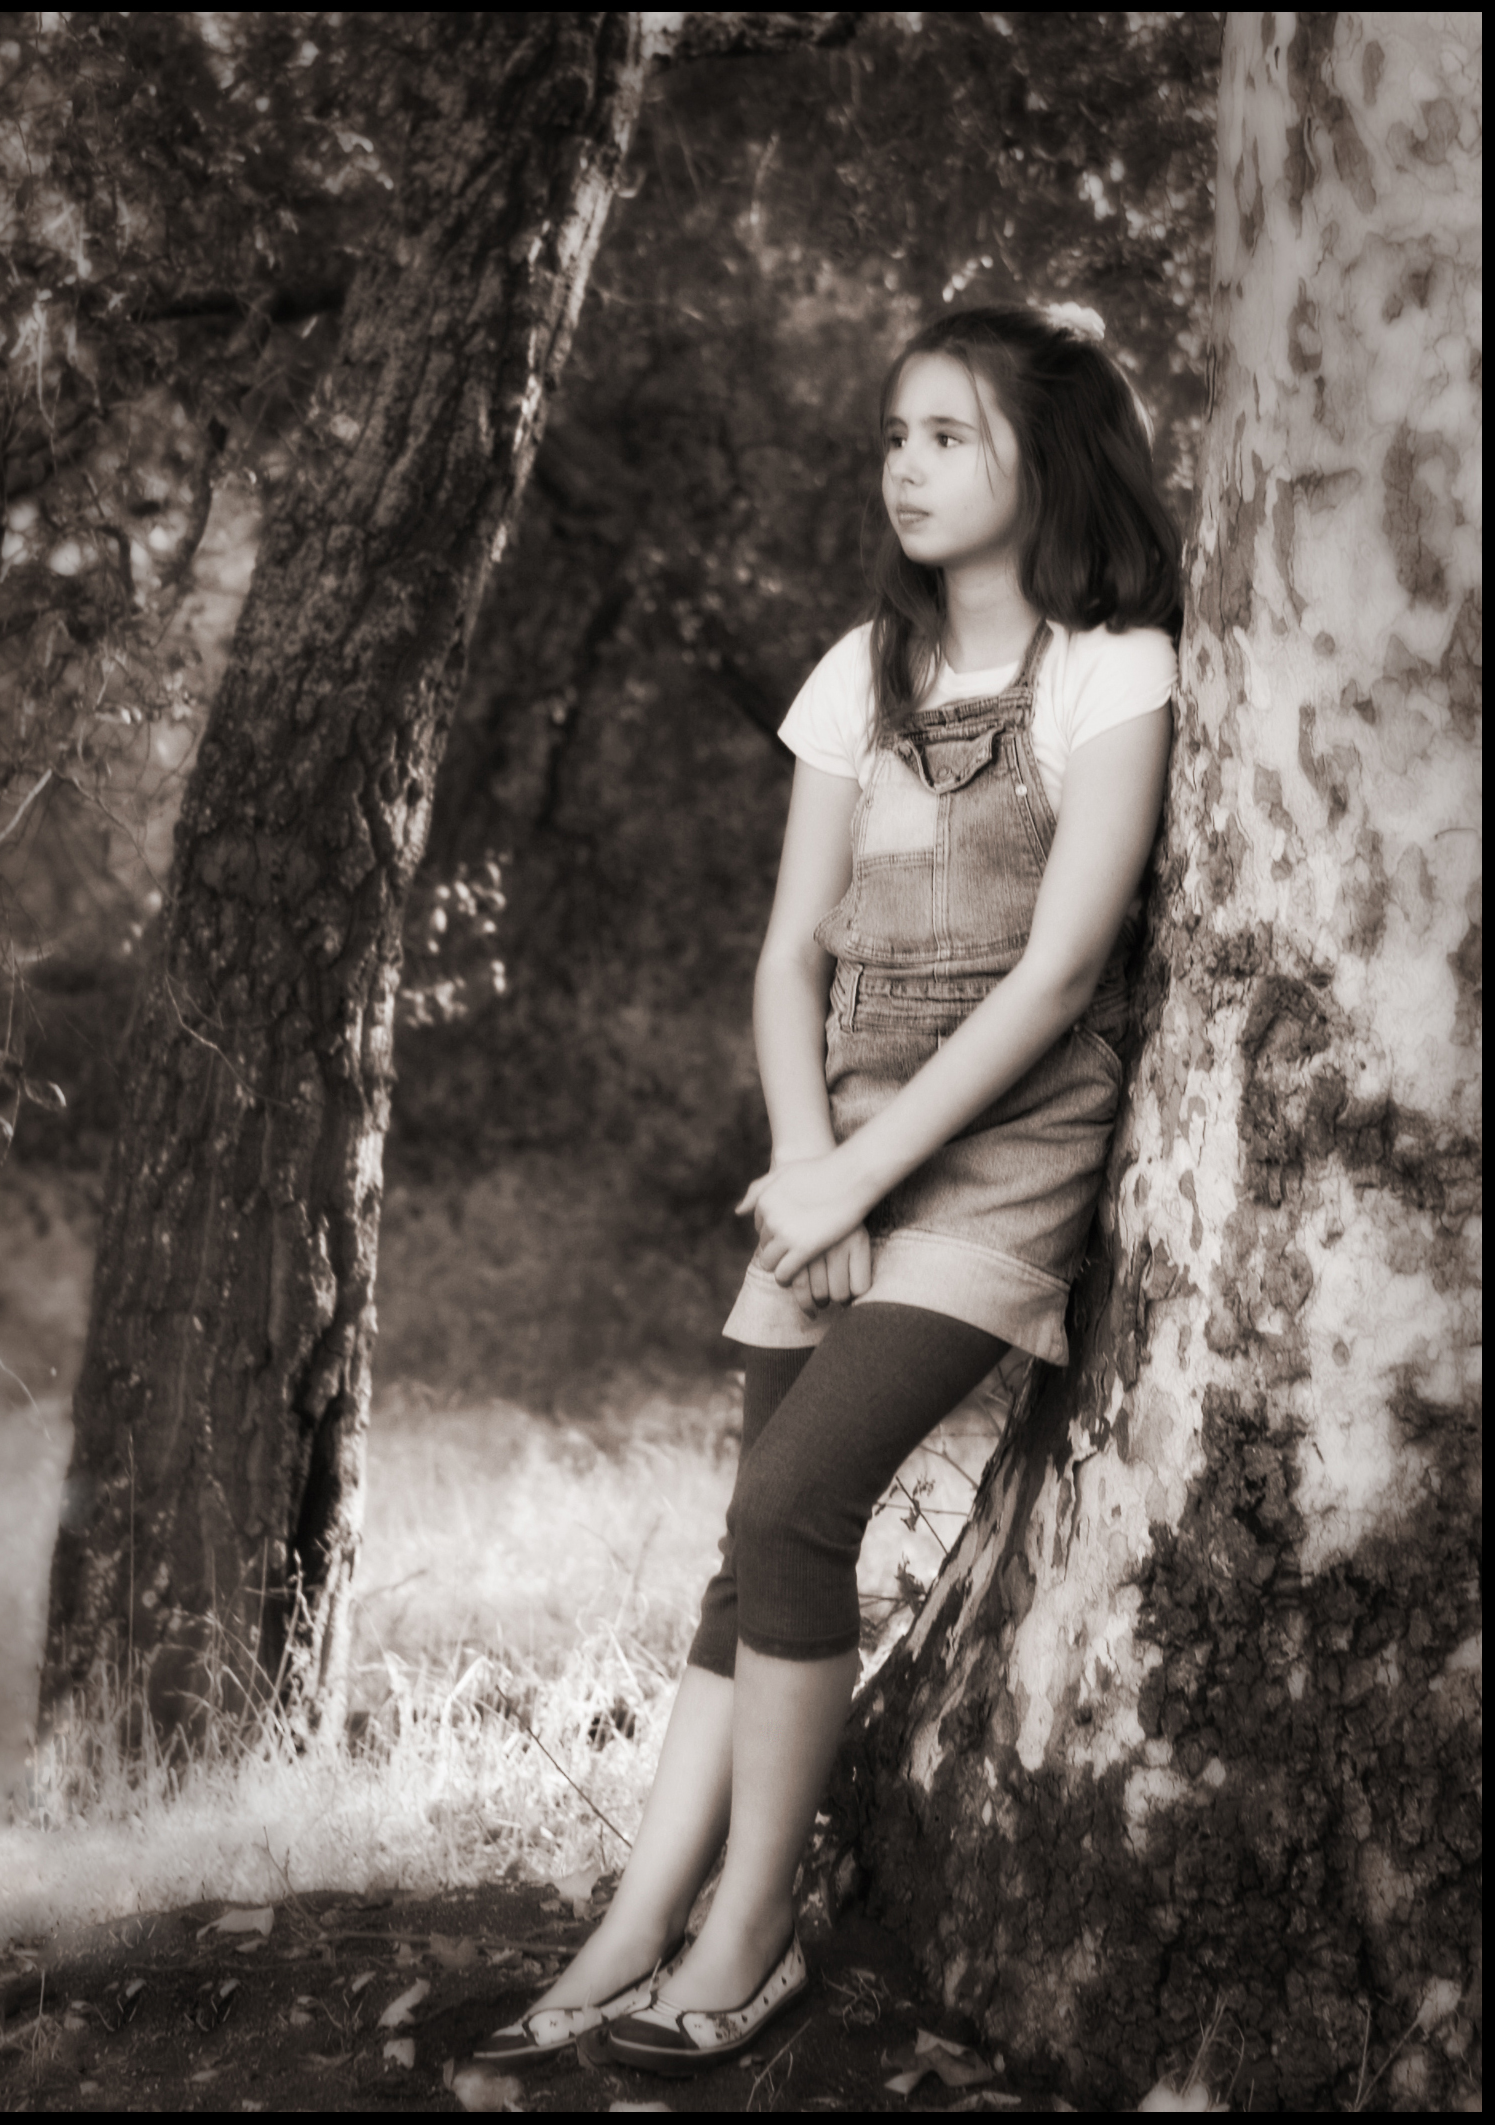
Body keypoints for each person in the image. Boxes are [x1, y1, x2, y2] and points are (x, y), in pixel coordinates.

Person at [470, 303, 1182, 2076]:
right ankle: (638, 1917)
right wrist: (807, 1163)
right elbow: (789, 955)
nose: (907, 465)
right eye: (893, 435)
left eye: (949, 432)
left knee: (792, 1505)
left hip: (999, 1156)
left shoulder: (1117, 669)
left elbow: (1053, 973)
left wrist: (866, 1171)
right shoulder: (852, 679)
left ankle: (752, 1924)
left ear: (1048, 455)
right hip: (834, 1148)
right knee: (749, 1553)